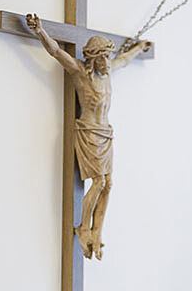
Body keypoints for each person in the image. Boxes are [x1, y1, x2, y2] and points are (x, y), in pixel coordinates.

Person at [25, 13, 150, 260]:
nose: (108, 61)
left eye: (108, 56)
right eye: (103, 57)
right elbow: (56, 53)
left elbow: (124, 60)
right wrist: (40, 31)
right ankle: (83, 228)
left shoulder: (109, 72)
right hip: (89, 132)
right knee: (99, 182)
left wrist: (138, 48)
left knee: (109, 184)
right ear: (94, 58)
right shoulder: (81, 74)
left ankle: (96, 232)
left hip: (106, 133)